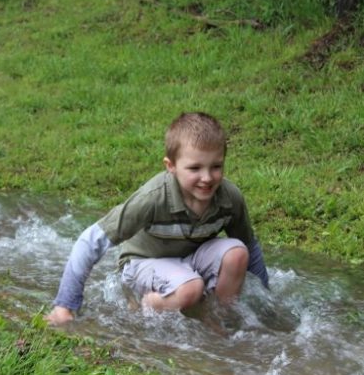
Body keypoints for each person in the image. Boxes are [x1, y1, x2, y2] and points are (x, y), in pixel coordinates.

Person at [46, 112, 268, 325]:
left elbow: (250, 246)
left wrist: (266, 302)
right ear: (171, 166)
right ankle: (154, 304)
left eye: (216, 166)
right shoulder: (153, 198)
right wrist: (65, 305)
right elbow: (91, 240)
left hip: (190, 262)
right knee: (191, 288)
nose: (207, 178)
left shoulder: (229, 198)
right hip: (143, 262)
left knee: (238, 253)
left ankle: (217, 320)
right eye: (194, 168)